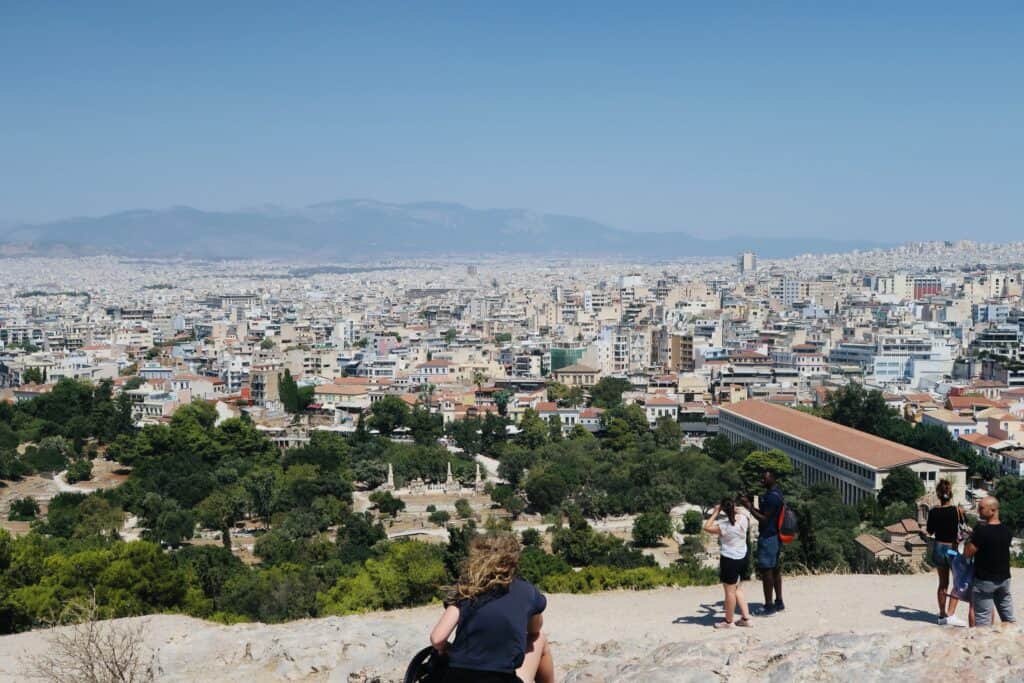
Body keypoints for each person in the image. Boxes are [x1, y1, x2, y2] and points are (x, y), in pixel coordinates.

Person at [429, 534, 554, 683]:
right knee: (539, 640)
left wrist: (448, 650)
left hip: (456, 677)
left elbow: (437, 638)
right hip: (502, 678)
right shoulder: (527, 592)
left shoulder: (466, 591)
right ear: (513, 562)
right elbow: (534, 630)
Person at [964, 495, 1015, 628]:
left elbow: (967, 553)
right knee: (1008, 618)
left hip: (984, 581)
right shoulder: (1007, 531)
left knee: (983, 622)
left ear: (992, 510)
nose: (978, 511)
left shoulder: (981, 532)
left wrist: (970, 538)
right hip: (1004, 579)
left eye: (981, 508)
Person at [703, 498, 753, 629]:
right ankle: (746, 618)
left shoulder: (723, 525)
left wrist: (715, 512)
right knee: (738, 590)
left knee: (729, 592)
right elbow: (743, 511)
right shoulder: (744, 519)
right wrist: (732, 508)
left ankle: (729, 621)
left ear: (723, 510)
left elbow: (706, 527)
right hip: (743, 557)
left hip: (729, 559)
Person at [741, 469, 784, 615]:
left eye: (764, 479)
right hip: (775, 536)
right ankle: (778, 602)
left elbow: (764, 518)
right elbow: (766, 514)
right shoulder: (776, 494)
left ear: (772, 479)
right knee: (776, 569)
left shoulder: (772, 498)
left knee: (767, 571)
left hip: (768, 537)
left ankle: (769, 606)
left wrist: (749, 507)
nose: (762, 481)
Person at [926, 479, 967, 627]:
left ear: (938, 494)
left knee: (943, 584)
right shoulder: (957, 510)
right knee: (958, 582)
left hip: (938, 547)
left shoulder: (933, 512)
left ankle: (942, 614)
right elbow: (964, 527)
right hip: (952, 549)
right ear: (950, 494)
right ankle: (951, 614)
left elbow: (929, 531)